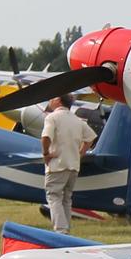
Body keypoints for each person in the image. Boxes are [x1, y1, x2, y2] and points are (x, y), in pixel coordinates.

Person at [40, 96, 97, 232]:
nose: (50, 101)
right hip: (73, 164)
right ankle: (66, 228)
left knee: (54, 196)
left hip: (57, 163)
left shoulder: (52, 117)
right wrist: (81, 152)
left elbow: (46, 137)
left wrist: (46, 153)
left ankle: (60, 229)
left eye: (52, 98)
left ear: (59, 101)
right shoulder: (76, 120)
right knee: (66, 198)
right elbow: (91, 137)